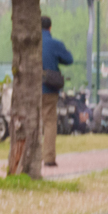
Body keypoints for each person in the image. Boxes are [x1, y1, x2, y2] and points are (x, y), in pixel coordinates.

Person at [39, 17, 74, 168]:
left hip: (32, 90)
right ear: (50, 28)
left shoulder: (31, 44)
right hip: (49, 89)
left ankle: (32, 156)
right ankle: (48, 158)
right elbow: (69, 59)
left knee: (35, 122)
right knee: (50, 122)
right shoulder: (55, 44)